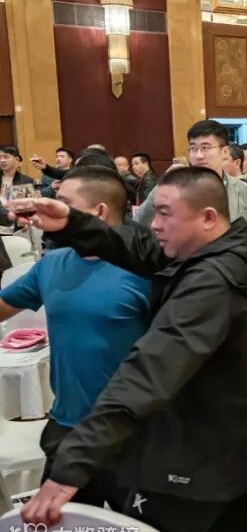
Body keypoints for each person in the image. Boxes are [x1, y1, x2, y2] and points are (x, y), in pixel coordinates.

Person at [20, 167, 247, 532]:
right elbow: (140, 249)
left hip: (200, 453)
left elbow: (146, 373)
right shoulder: (229, 246)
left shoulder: (210, 284)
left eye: (165, 214)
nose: (153, 224)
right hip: (233, 440)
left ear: (207, 217)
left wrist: (71, 465)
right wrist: (72, 222)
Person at [0, 167, 150, 509]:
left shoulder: (145, 270)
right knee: (61, 528)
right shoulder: (51, 263)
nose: (48, 207)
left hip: (134, 432)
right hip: (68, 426)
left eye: (63, 202)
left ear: (99, 212)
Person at [135, 120, 247, 260]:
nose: (198, 155)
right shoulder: (175, 191)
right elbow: (138, 225)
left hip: (234, 269)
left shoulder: (245, 191)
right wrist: (163, 185)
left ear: (224, 152)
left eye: (205, 148)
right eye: (193, 148)